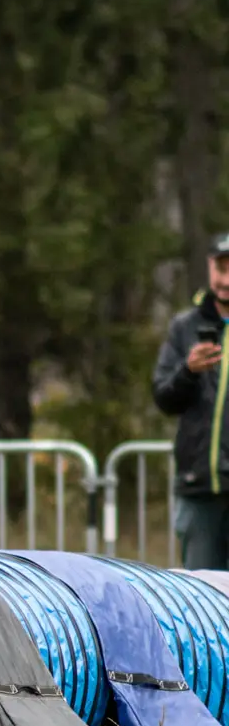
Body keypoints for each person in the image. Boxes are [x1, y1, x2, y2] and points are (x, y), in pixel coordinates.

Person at [152, 233, 229, 570]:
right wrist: (189, 370)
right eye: (220, 268)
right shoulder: (185, 327)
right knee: (204, 598)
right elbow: (164, 398)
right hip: (198, 489)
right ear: (210, 268)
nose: (226, 280)